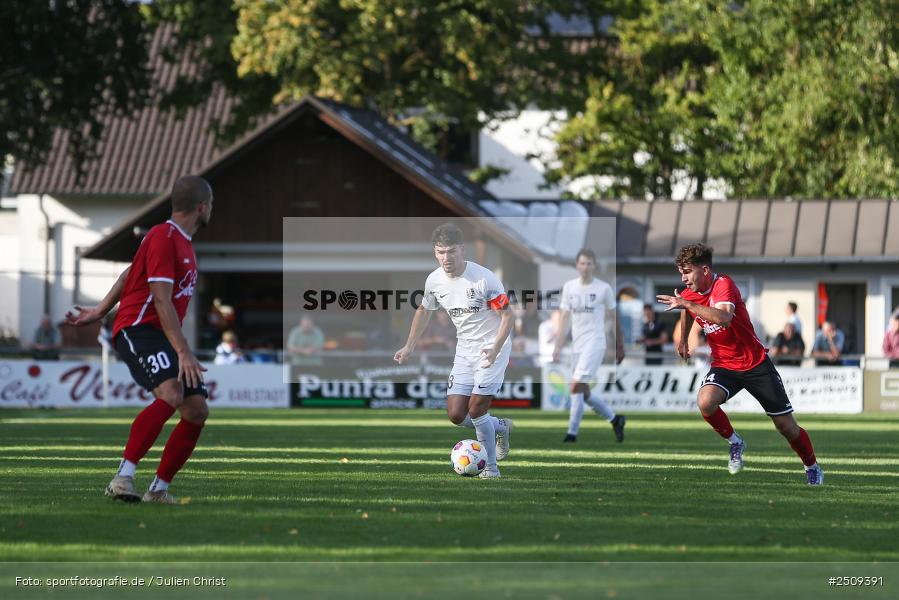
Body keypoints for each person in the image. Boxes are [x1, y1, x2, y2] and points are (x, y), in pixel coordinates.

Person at [65, 175, 214, 503]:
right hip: (138, 329)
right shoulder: (164, 237)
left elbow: (129, 274)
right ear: (202, 207)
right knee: (172, 391)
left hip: (160, 333)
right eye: (211, 205)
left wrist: (98, 310)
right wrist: (184, 352)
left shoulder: (181, 242)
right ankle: (122, 478)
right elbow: (160, 300)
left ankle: (158, 491)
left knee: (197, 410)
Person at [657, 243, 823, 485]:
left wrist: (688, 304)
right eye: (680, 272)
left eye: (687, 272)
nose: (683, 278)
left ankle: (812, 466)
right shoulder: (689, 293)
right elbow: (686, 309)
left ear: (704, 270)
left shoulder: (723, 284)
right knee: (705, 402)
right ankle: (735, 441)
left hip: (756, 364)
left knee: (786, 427)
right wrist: (683, 340)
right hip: (724, 365)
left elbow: (723, 318)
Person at [394, 223, 514, 479]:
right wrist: (409, 345)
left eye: (450, 251)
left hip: (492, 348)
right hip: (465, 349)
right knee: (456, 414)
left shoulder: (484, 279)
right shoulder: (434, 280)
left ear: (461, 250)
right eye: (440, 252)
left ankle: (491, 468)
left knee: (477, 410)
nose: (445, 258)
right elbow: (424, 310)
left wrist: (494, 348)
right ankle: (500, 427)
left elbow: (507, 316)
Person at [552, 248, 626, 444]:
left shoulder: (603, 288)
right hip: (577, 345)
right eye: (582, 263)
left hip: (595, 343)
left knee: (575, 386)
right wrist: (558, 345)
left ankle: (571, 434)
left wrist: (620, 345)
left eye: (589, 263)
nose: (585, 267)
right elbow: (564, 319)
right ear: (577, 265)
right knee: (581, 390)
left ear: (594, 266)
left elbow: (614, 318)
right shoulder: (569, 287)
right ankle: (615, 419)